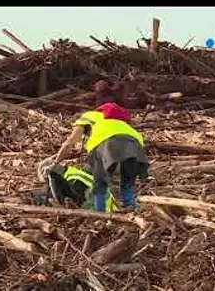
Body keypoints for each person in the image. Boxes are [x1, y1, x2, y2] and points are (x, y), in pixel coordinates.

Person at [50, 80, 149, 212]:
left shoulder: (90, 116)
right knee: (127, 184)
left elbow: (70, 143)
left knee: (100, 184)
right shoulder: (120, 121)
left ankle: (100, 214)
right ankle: (132, 209)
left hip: (107, 145)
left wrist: (56, 162)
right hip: (135, 146)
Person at [38, 163, 117, 212]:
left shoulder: (73, 180)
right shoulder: (73, 173)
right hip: (111, 206)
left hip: (101, 210)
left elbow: (80, 201)